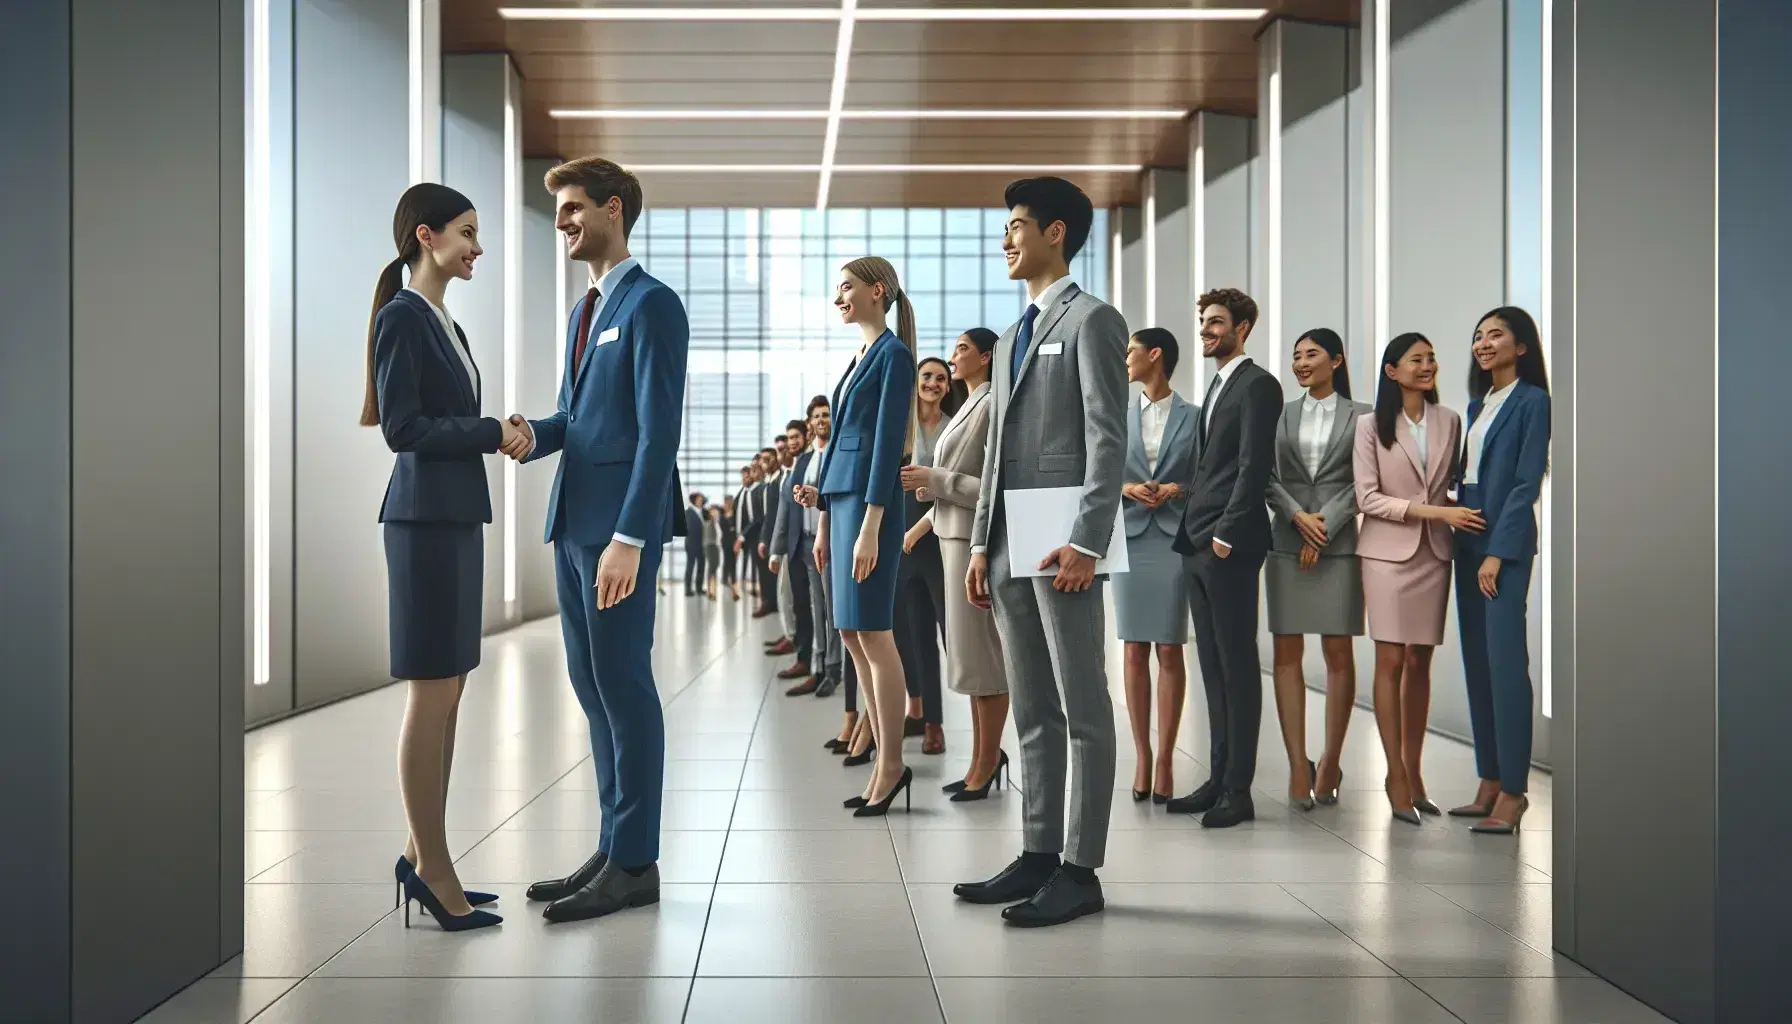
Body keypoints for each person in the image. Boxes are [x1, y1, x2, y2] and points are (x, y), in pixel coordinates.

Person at [507, 157, 689, 923]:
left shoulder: (652, 305)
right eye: (559, 211)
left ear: (614, 210)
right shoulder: (586, 312)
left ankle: (637, 862)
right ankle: (614, 844)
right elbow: (577, 419)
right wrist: (531, 433)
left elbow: (657, 435)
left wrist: (630, 537)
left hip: (613, 534)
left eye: (575, 207)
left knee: (624, 687)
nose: (563, 222)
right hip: (572, 522)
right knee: (592, 690)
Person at [957, 177, 1127, 928]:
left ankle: (1080, 868)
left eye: (1017, 226)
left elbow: (1107, 438)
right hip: (1006, 541)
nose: (1006, 240)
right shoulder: (1014, 335)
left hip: (1064, 544)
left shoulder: (1093, 320)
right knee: (1031, 705)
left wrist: (1089, 539)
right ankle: (1036, 851)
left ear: (1056, 233)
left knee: (1082, 704)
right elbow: (995, 450)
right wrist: (978, 541)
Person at [363, 182, 511, 933]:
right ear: (426, 236)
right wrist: (489, 432)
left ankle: (426, 860)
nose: (476, 247)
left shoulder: (442, 319)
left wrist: (489, 429)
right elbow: (404, 429)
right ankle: (436, 869)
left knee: (451, 693)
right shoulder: (402, 318)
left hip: (452, 518)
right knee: (431, 693)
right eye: (467, 232)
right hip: (422, 520)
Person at [803, 256, 918, 818]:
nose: (838, 298)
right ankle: (878, 757)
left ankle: (893, 763)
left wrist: (871, 525)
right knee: (850, 634)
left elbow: (885, 446)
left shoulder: (894, 356)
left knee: (873, 634)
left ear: (878, 291)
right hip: (844, 507)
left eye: (846, 288)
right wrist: (826, 520)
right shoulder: (860, 357)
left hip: (871, 510)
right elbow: (841, 446)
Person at [1164, 288, 1283, 829]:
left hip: (1228, 545)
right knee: (1211, 667)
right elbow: (1210, 465)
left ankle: (1239, 789)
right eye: (1204, 322)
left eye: (1217, 322)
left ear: (1244, 326)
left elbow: (1253, 466)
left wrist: (1227, 535)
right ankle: (1217, 778)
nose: (1207, 330)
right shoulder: (1215, 385)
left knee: (1237, 667)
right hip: (1197, 541)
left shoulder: (1259, 385)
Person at [1353, 332, 1475, 826]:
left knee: (1420, 662)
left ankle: (1416, 772)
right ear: (1392, 371)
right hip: (1385, 554)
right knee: (1390, 659)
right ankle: (1394, 774)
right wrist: (1434, 512)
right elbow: (1367, 498)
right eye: (1415, 359)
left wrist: (1447, 515)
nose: (1427, 366)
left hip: (1434, 555)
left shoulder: (1451, 420)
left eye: (1431, 359)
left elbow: (1453, 483)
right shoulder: (1369, 426)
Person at [1452, 307, 1550, 835]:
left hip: (1501, 546)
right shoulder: (1477, 405)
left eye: (1496, 335)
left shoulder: (1534, 402)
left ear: (1522, 347)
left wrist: (1498, 551)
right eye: (1478, 337)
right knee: (1477, 664)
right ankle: (1488, 779)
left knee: (1507, 666)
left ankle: (1514, 790)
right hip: (1464, 540)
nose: (1484, 344)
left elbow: (1525, 482)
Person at [1265, 328, 1370, 809]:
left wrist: (1324, 524)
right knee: (1286, 653)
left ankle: (1329, 761)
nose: (1301, 363)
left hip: (1340, 542)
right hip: (1286, 542)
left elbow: (1366, 480)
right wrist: (1297, 518)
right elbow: (1265, 477)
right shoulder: (1280, 415)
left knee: (1338, 653)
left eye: (1311, 354)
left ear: (1337, 360)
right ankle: (1295, 765)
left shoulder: (1363, 416)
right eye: (1296, 356)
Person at [905, 328, 1010, 799]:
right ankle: (980, 760)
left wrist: (937, 478)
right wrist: (930, 500)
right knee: (968, 660)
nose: (953, 357)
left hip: (973, 540)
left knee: (983, 659)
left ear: (986, 357)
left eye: (963, 350)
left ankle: (987, 761)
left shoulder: (991, 405)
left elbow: (993, 488)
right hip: (950, 536)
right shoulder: (967, 407)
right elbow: (954, 483)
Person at [1113, 328, 1197, 805]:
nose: (1126, 359)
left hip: (1171, 540)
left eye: (1131, 351)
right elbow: (1099, 470)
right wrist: (1126, 489)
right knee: (1131, 649)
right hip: (1128, 536)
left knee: (1169, 649)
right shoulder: (1116, 415)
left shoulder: (1194, 417)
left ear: (1156, 355)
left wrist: (1176, 489)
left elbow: (1203, 475)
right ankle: (1142, 755)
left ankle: (1166, 757)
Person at [894, 357, 956, 755]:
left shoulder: (954, 427)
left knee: (953, 635)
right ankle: (926, 717)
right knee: (913, 636)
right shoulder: (902, 430)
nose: (933, 383)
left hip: (942, 537)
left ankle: (975, 722)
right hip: (902, 537)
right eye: (927, 376)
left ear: (948, 387)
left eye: (940, 378)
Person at [792, 396, 845, 702]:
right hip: (808, 542)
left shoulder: (835, 454)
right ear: (810, 422)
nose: (821, 419)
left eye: (826, 415)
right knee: (817, 607)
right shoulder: (809, 458)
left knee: (831, 608)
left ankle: (833, 668)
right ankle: (819, 664)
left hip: (832, 540)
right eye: (816, 416)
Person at [770, 418, 819, 691]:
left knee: (815, 608)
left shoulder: (809, 462)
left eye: (795, 437)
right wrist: (778, 550)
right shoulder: (797, 466)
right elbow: (784, 512)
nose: (792, 442)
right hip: (796, 545)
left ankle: (817, 663)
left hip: (812, 541)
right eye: (789, 438)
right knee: (800, 605)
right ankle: (804, 657)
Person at [683, 492, 707, 597]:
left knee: (701, 566)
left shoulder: (704, 513)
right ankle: (688, 589)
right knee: (690, 566)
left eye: (701, 499)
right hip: (692, 544)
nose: (700, 501)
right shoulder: (688, 512)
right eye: (698, 499)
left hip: (703, 544)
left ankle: (699, 588)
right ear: (694, 500)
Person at [721, 486, 742, 601]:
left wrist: (732, 527)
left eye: (730, 501)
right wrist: (731, 527)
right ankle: (725, 579)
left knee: (733, 562)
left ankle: (733, 581)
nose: (729, 503)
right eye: (727, 502)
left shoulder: (735, 514)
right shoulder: (722, 515)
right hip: (725, 542)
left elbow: (735, 527)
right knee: (727, 561)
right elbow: (724, 528)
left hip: (734, 542)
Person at [701, 505, 723, 600]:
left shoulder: (716, 522)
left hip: (716, 545)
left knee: (715, 565)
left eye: (716, 511)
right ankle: (710, 591)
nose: (715, 512)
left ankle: (712, 589)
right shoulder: (708, 521)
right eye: (713, 511)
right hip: (710, 546)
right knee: (712, 566)